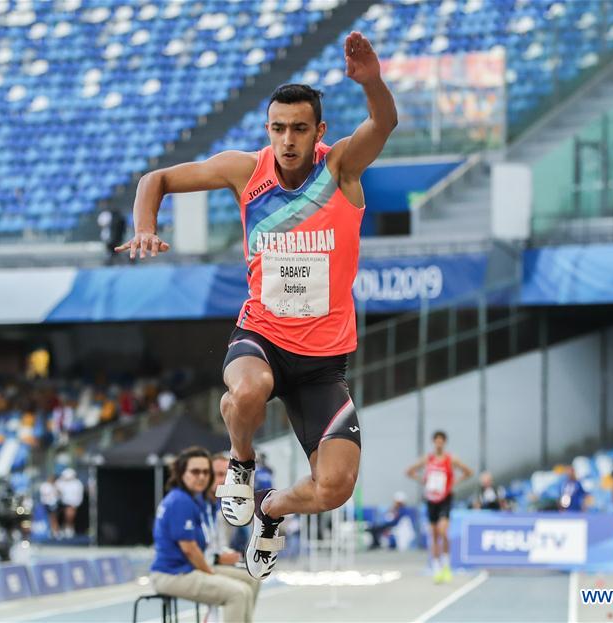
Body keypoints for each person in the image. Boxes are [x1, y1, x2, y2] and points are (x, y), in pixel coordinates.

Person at [116, 31, 397, 580]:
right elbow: (158, 178)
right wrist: (145, 227)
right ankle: (240, 465)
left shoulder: (341, 170)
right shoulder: (245, 171)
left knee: (335, 489)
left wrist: (373, 84)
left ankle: (269, 510)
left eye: (298, 128)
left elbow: (383, 124)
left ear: (319, 131)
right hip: (262, 336)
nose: (287, 140)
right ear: (267, 129)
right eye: (277, 128)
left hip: (322, 364)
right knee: (246, 391)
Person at [150, 447, 256, 623]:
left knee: (249, 583)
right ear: (182, 473)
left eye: (206, 472)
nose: (202, 476)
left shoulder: (193, 499)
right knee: (237, 593)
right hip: (172, 574)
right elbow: (190, 549)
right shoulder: (180, 500)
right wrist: (211, 574)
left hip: (188, 569)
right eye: (195, 471)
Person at [406, 431, 474, 583]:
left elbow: (469, 472)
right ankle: (436, 569)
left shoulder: (451, 459)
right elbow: (409, 471)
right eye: (436, 441)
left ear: (444, 443)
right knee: (434, 534)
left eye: (441, 441)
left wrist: (454, 483)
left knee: (443, 531)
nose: (439, 444)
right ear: (433, 442)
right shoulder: (428, 459)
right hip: (431, 499)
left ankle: (446, 565)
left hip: (445, 498)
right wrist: (424, 481)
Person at [204, 453, 260, 621]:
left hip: (217, 560)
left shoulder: (223, 505)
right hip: (201, 565)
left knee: (254, 578)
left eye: (225, 475)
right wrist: (218, 558)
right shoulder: (198, 504)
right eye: (218, 475)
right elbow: (193, 549)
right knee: (239, 591)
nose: (222, 480)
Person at [55, 468, 84, 538]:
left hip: (73, 504)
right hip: (62, 503)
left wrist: (76, 504)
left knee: (70, 516)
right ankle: (62, 529)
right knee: (61, 516)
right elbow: (57, 490)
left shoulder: (77, 483)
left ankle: (68, 528)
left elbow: (79, 495)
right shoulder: (60, 482)